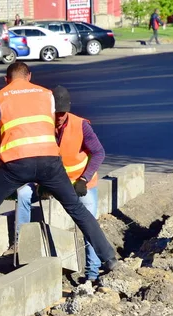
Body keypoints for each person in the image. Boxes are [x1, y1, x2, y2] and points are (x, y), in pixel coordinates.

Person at [0, 62, 118, 277]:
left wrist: (7, 179)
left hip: (17, 164)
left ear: (6, 80)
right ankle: (109, 258)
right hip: (50, 162)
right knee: (76, 208)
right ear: (29, 76)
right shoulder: (47, 95)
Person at [14, 86, 105, 283]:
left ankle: (92, 272)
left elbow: (99, 152)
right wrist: (40, 181)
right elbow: (35, 156)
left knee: (89, 222)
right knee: (22, 195)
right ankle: (22, 245)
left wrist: (84, 179)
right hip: (51, 180)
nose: (60, 117)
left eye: (63, 113)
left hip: (79, 182)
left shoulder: (81, 125)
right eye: (56, 113)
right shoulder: (41, 126)